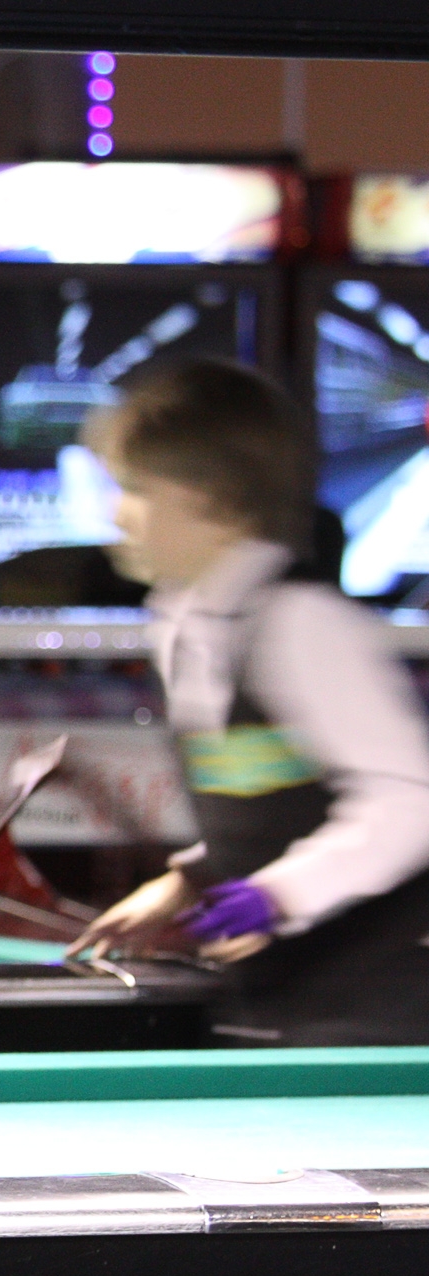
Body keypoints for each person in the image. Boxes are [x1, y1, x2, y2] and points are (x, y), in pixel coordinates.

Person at [70, 358, 429, 1045]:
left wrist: (275, 895)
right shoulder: (180, 620)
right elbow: (273, 790)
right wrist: (191, 879)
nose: (116, 513)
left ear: (214, 500)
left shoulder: (303, 623)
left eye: (136, 489)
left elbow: (409, 802)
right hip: (284, 998)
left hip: (382, 1009)